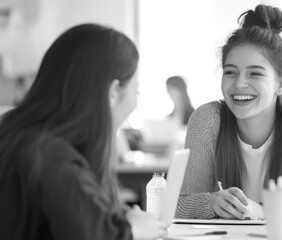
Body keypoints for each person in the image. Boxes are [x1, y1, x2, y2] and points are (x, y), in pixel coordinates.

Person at [176, 4, 282, 222]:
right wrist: (212, 202)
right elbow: (180, 205)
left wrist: (262, 210)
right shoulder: (208, 119)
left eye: (255, 74)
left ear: (281, 84)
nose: (240, 84)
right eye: (230, 72)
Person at [0, 24, 166, 240]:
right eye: (136, 90)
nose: (135, 101)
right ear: (114, 91)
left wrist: (116, 217)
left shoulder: (18, 135)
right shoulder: (51, 156)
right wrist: (132, 230)